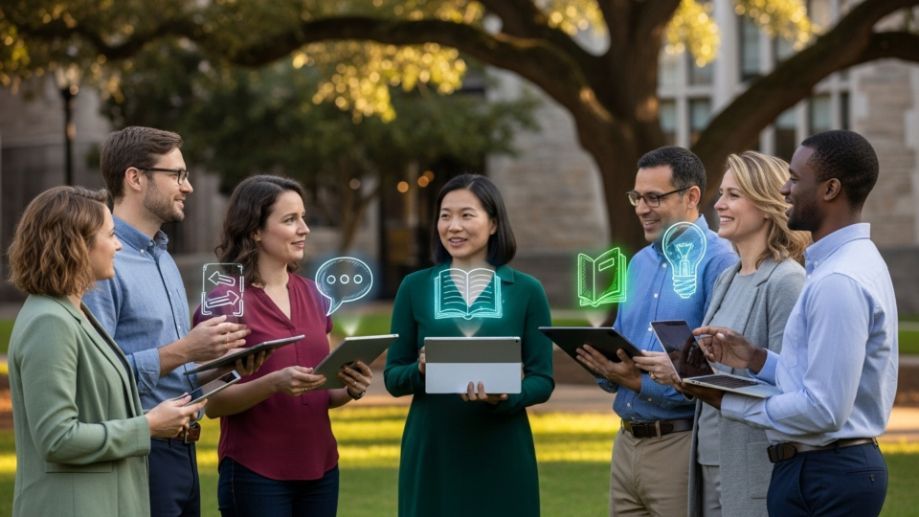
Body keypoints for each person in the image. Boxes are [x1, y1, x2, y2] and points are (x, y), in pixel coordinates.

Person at [691, 130, 897, 516]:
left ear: (830, 189)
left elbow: (823, 410)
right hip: (819, 468)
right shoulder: (842, 264)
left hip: (827, 472)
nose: (785, 189)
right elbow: (814, 377)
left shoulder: (839, 279)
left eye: (795, 179)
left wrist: (730, 402)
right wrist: (758, 359)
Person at [83, 126, 251, 517]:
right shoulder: (102, 264)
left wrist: (224, 366)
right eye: (177, 175)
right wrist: (186, 349)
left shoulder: (162, 256)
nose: (187, 186)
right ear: (135, 178)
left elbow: (173, 372)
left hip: (185, 450)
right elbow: (94, 378)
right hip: (139, 452)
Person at [7, 186, 203, 516]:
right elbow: (58, 438)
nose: (119, 245)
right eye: (111, 235)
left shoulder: (73, 311)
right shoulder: (49, 321)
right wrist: (148, 426)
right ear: (76, 245)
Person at [633, 151, 809, 516]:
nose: (719, 205)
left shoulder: (786, 281)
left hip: (752, 463)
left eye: (734, 195)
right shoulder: (730, 277)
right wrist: (684, 372)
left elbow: (791, 387)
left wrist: (691, 373)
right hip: (709, 455)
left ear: (766, 205)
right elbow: (719, 370)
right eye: (722, 194)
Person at [195, 175, 373, 517]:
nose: (304, 229)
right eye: (290, 220)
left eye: (303, 217)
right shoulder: (225, 301)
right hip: (255, 473)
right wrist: (273, 383)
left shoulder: (314, 294)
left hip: (321, 468)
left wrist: (352, 387)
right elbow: (214, 402)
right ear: (255, 231)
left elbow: (323, 392)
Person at [575, 146, 736, 517]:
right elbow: (622, 343)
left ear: (691, 197)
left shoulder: (721, 263)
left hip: (680, 445)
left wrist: (637, 382)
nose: (641, 209)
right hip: (625, 444)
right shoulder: (638, 263)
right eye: (637, 197)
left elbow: (719, 375)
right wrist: (602, 364)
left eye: (653, 198)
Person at [384, 173, 554, 517]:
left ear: (493, 223)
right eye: (445, 216)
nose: (453, 226)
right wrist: (420, 370)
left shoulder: (527, 290)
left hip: (501, 445)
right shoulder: (414, 287)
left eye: (466, 215)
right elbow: (393, 377)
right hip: (433, 447)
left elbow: (543, 379)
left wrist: (505, 397)